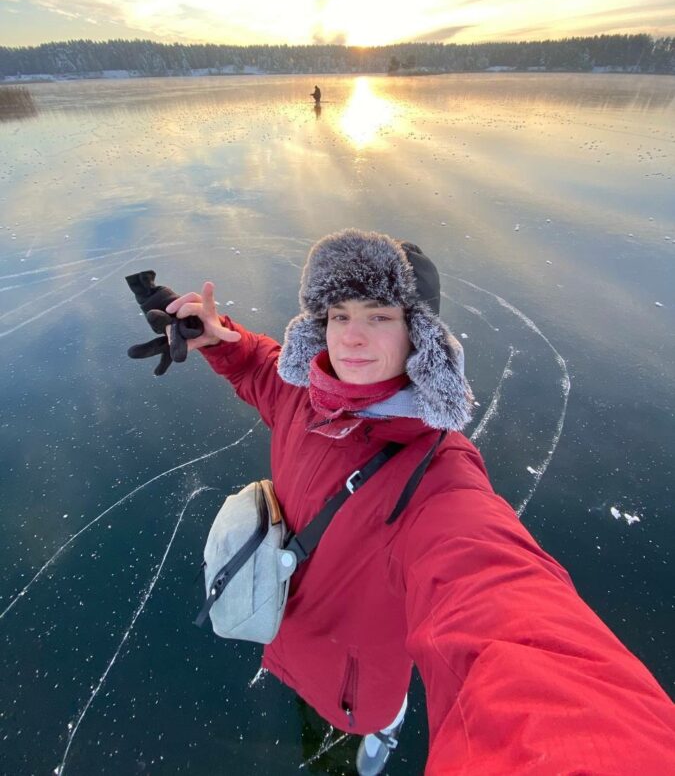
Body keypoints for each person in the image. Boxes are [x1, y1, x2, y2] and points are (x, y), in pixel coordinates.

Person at [165, 229, 674, 774]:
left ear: (419, 336)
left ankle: (385, 723)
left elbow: (501, 605)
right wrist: (219, 340)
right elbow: (263, 368)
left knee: (350, 725)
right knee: (307, 704)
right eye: (339, 315)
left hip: (360, 683)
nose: (351, 337)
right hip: (288, 626)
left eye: (379, 316)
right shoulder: (308, 397)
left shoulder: (438, 479)